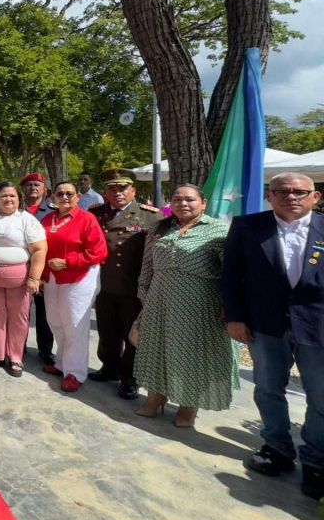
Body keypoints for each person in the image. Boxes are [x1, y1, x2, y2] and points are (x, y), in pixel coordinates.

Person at [223, 172, 324, 500]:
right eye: (282, 191)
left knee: (321, 396)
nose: (291, 196)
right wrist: (234, 317)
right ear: (269, 196)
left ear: (315, 197)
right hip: (265, 325)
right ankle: (277, 447)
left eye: (299, 191)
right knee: (268, 389)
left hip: (318, 326)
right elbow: (231, 275)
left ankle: (316, 460)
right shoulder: (247, 227)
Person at [134, 184, 234, 427]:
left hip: (200, 303)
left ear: (203, 203)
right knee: (157, 349)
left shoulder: (219, 230)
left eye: (190, 199)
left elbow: (231, 272)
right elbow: (147, 266)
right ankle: (156, 396)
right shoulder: (159, 228)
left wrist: (229, 306)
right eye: (177, 199)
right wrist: (144, 297)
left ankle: (188, 406)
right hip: (159, 300)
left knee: (192, 354)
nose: (183, 204)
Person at [88, 168, 162, 400]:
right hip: (104, 284)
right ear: (105, 192)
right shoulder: (95, 213)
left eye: (123, 188)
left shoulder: (151, 216)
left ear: (133, 191)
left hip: (133, 287)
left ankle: (130, 379)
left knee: (133, 336)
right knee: (107, 331)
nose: (117, 193)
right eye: (112, 189)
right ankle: (109, 367)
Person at [40, 180, 108, 392]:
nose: (64, 197)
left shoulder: (86, 219)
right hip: (52, 278)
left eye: (69, 193)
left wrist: (68, 262)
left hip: (78, 278)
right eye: (60, 193)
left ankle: (75, 373)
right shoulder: (48, 219)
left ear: (78, 197)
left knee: (75, 325)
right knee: (56, 321)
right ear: (53, 197)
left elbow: (98, 252)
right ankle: (62, 363)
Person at [0, 182, 47, 377]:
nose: (8, 199)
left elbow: (40, 249)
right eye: (3, 196)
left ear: (19, 199)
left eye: (12, 196)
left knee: (18, 318)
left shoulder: (27, 219)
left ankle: (15, 357)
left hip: (19, 280)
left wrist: (34, 278)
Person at [22, 173, 55, 366]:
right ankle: (18, 345)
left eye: (37, 185)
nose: (33, 188)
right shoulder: (15, 208)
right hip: (19, 268)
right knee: (20, 311)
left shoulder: (53, 211)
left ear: (44, 190)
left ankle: (45, 350)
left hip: (43, 271)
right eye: (29, 185)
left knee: (44, 314)